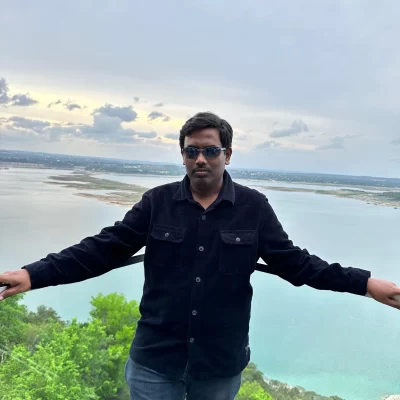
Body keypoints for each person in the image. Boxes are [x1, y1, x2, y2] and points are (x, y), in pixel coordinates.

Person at [0, 111, 399, 400]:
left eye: (210, 150)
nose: (201, 159)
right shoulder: (156, 203)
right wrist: (33, 275)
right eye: (192, 151)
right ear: (183, 155)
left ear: (228, 154)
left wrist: (365, 284)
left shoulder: (253, 208)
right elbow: (102, 249)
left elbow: (297, 264)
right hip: (156, 361)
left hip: (219, 364)